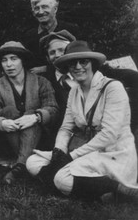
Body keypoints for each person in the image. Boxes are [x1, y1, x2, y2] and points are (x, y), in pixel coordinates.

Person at [26, 41, 138, 201]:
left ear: (92, 64)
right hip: (87, 150)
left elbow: (109, 134)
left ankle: (120, 189)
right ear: (68, 68)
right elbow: (65, 128)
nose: (78, 67)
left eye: (83, 61)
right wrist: (59, 151)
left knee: (61, 178)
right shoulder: (74, 91)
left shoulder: (113, 87)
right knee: (33, 162)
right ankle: (98, 191)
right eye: (72, 63)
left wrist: (71, 156)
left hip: (113, 152)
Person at [0, 41, 58, 184]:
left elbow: (53, 108)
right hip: (9, 140)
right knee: (8, 111)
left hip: (40, 139)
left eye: (14, 59)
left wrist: (36, 117)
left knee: (32, 113)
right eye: (4, 60)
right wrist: (2, 123)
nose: (9, 64)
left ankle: (19, 165)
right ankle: (23, 165)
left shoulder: (42, 82)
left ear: (23, 60)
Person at [23, 0, 79, 73]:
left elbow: (79, 58)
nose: (40, 12)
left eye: (44, 7)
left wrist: (48, 69)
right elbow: (29, 66)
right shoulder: (29, 36)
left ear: (55, 9)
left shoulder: (71, 29)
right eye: (36, 8)